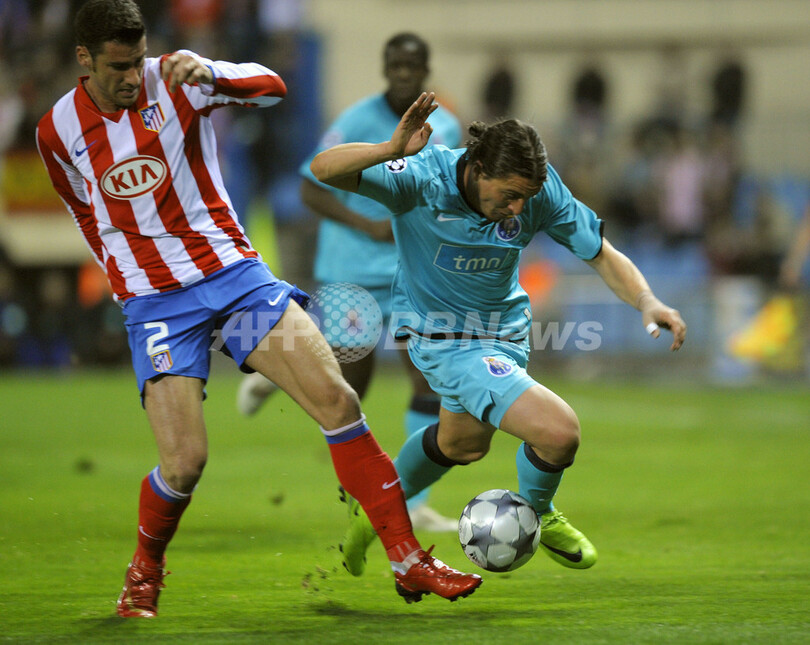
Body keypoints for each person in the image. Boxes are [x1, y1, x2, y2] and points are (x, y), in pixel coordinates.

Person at [36, 1, 481, 618]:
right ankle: (144, 571)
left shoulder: (177, 78)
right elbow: (84, 210)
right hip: (157, 302)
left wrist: (211, 72)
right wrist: (122, 280)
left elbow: (272, 87)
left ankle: (407, 559)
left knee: (338, 401)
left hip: (233, 279)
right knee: (185, 464)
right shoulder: (56, 130)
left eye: (138, 60)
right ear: (84, 59)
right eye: (118, 67)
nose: (133, 76)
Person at [310, 92, 687, 576]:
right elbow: (323, 169)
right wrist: (389, 150)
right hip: (444, 340)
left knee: (462, 444)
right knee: (559, 433)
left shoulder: (536, 192)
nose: (518, 208)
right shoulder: (423, 179)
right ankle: (539, 513)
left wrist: (647, 300)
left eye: (526, 197)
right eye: (509, 194)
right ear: (477, 167)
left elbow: (600, 253)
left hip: (506, 333)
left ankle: (375, 512)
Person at [237, 32, 462, 532]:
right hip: (352, 268)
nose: (402, 74)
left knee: (427, 379)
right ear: (385, 68)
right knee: (347, 387)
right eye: (395, 65)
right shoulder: (357, 121)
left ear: (425, 70)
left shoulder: (446, 125)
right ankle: (279, 374)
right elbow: (310, 189)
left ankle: (414, 502)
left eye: (411, 66)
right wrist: (366, 225)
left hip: (411, 271)